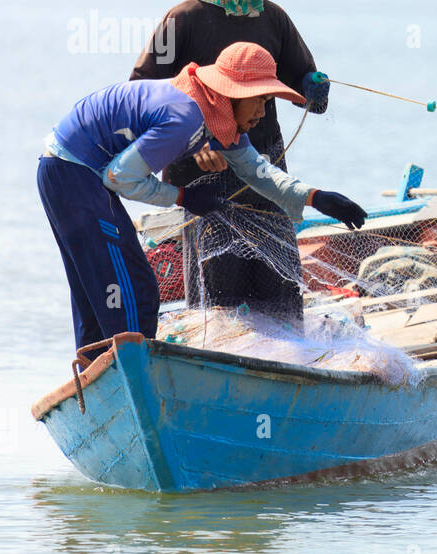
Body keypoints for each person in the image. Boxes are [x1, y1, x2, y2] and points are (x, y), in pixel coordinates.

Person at [39, 42, 366, 350]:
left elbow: (257, 172)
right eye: (260, 100)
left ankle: (96, 373)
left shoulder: (217, 115)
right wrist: (182, 196)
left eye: (268, 103)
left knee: (97, 289)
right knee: (132, 290)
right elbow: (120, 177)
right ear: (233, 93)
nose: (264, 113)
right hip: (75, 173)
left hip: (67, 173)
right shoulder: (185, 117)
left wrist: (316, 197)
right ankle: (129, 374)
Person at [130, 0, 330, 322]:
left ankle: (285, 365)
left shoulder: (273, 19)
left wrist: (314, 86)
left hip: (263, 164)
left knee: (281, 289)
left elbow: (308, 93)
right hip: (200, 169)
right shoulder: (182, 18)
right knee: (215, 294)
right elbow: (141, 94)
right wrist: (190, 146)